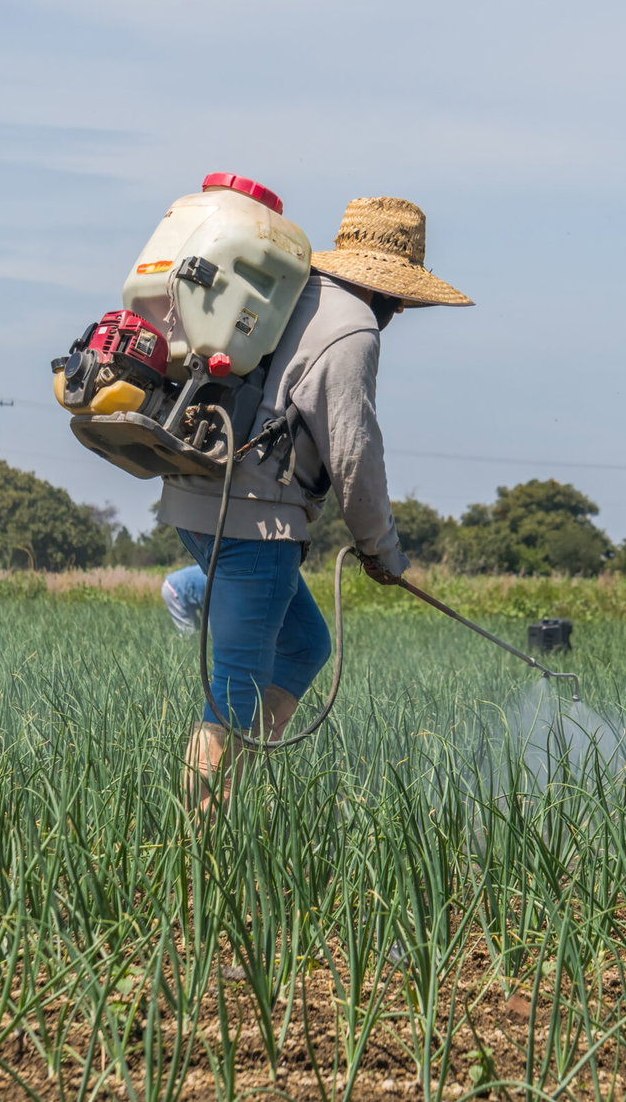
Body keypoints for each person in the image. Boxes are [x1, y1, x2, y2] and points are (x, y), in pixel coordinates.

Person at [158, 196, 472, 809]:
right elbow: (354, 452)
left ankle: (238, 796)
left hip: (196, 498)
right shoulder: (351, 327)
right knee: (235, 684)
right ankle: (197, 843)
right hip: (253, 517)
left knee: (305, 643)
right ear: (394, 289)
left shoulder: (293, 291)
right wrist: (382, 552)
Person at [161, 563, 206, 634]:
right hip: (172, 589)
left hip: (178, 585)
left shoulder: (213, 569)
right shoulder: (215, 578)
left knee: (198, 627)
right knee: (187, 630)